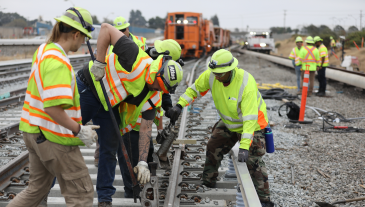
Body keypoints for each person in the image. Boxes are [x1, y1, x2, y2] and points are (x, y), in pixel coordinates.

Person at [77, 22, 183, 207]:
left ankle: (104, 199)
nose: (157, 89)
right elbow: (106, 29)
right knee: (65, 136)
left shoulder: (154, 96)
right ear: (158, 71)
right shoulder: (134, 56)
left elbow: (145, 129)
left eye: (162, 89)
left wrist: (142, 162)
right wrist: (100, 63)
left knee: (109, 149)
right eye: (158, 84)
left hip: (108, 105)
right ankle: (44, 186)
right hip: (89, 88)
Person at [9, 7, 98, 207]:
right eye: (83, 37)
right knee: (81, 195)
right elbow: (52, 108)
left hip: (33, 130)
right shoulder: (59, 62)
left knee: (36, 190)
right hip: (53, 136)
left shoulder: (43, 50)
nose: (84, 42)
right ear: (76, 34)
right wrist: (79, 130)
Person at [166, 49, 274, 207]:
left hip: (252, 125)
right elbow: (194, 90)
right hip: (229, 122)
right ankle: (208, 180)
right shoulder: (211, 74)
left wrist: (244, 146)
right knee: (213, 146)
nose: (216, 76)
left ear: (230, 70)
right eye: (214, 72)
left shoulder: (245, 82)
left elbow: (250, 118)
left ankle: (265, 200)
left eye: (220, 73)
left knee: (253, 160)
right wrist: (179, 105)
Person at [94, 16, 150, 167]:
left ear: (128, 29)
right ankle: (100, 156)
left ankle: (126, 157)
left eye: (123, 30)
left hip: (128, 90)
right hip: (112, 87)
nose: (121, 32)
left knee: (124, 126)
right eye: (118, 30)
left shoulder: (140, 42)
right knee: (106, 127)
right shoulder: (110, 41)